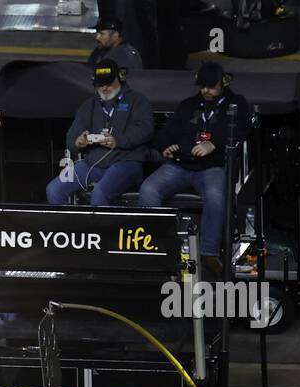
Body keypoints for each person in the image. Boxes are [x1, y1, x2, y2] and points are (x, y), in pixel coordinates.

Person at [139, 62, 250, 277]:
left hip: (212, 167)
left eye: (211, 87)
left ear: (222, 82)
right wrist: (166, 147)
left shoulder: (236, 104)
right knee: (148, 189)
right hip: (181, 164)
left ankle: (209, 253)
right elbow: (165, 134)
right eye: (202, 87)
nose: (206, 91)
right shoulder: (188, 104)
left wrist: (214, 143)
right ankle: (157, 246)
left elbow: (244, 129)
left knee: (217, 197)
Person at [46, 60, 154, 207]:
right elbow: (71, 138)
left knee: (100, 193)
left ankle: (99, 230)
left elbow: (146, 129)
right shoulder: (89, 105)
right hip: (92, 163)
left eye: (108, 83)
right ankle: (74, 228)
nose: (104, 87)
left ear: (119, 78)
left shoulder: (137, 100)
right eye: (100, 84)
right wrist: (77, 142)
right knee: (54, 189)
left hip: (126, 163)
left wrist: (118, 140)